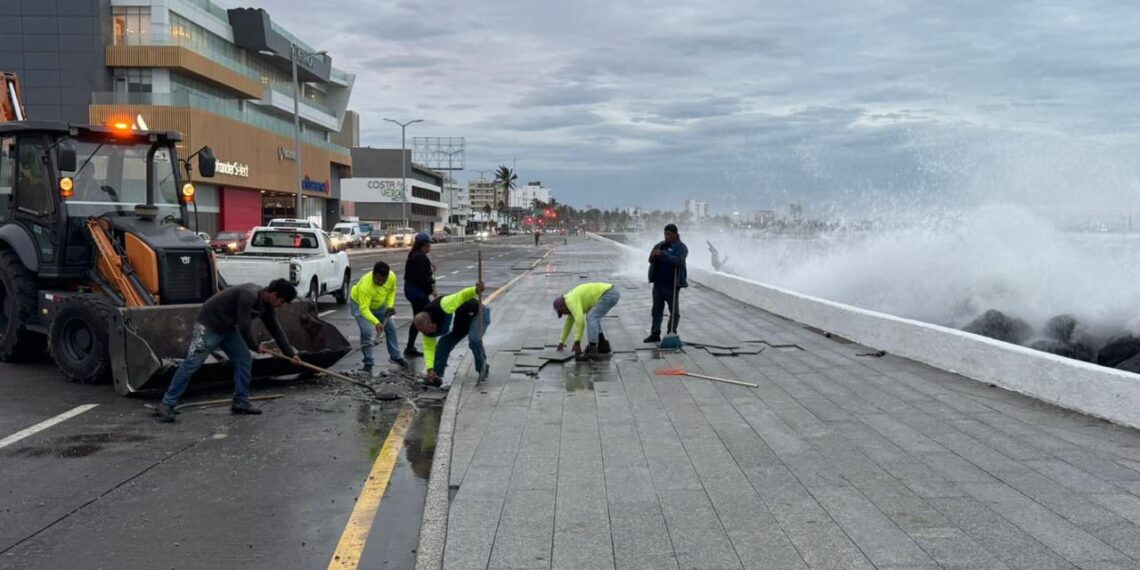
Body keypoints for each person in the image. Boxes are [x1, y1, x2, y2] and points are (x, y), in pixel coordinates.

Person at [156, 279, 301, 422]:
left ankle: (240, 401)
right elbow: (244, 326)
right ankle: (167, 404)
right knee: (192, 364)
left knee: (244, 359)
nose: (280, 305)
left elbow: (276, 331)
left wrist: (291, 354)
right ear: (274, 295)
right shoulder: (248, 295)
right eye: (282, 302)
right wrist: (255, 346)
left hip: (227, 328)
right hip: (207, 326)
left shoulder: (267, 307)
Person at [413, 282, 491, 387]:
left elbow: (463, 294)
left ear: (430, 324)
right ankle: (436, 376)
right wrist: (430, 369)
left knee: (474, 340)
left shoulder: (444, 304)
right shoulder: (426, 331)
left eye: (426, 330)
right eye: (422, 332)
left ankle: (482, 368)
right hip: (459, 325)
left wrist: (476, 290)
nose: (425, 334)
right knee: (443, 345)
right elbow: (429, 349)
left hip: (477, 313)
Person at [351, 261, 410, 375]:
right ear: (373, 274)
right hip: (360, 304)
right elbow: (364, 309)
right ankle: (368, 363)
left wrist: (389, 306)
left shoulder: (391, 277)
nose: (380, 282)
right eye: (377, 280)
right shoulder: (366, 286)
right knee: (366, 332)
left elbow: (392, 290)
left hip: (379, 304)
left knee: (391, 328)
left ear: (387, 276)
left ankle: (395, 356)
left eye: (383, 280)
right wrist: (376, 322)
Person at [553, 282, 621, 361]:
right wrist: (561, 341)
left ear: (563, 307)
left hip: (608, 294)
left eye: (562, 312)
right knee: (593, 318)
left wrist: (577, 342)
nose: (564, 314)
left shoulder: (570, 301)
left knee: (591, 317)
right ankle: (603, 345)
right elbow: (568, 324)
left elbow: (580, 322)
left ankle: (592, 349)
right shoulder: (569, 303)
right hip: (610, 293)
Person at [645, 223, 688, 343]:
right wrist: (653, 255)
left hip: (672, 285)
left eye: (669, 234)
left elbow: (678, 262)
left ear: (675, 234)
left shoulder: (681, 248)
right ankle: (655, 334)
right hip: (658, 285)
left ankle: (671, 333)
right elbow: (650, 260)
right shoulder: (660, 245)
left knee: (674, 312)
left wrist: (663, 254)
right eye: (665, 234)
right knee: (656, 310)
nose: (666, 236)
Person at [404, 232, 436, 358]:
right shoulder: (420, 258)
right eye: (429, 243)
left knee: (418, 318)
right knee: (427, 318)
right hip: (417, 293)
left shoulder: (415, 255)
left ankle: (410, 347)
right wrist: (431, 288)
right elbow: (421, 278)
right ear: (424, 244)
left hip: (413, 291)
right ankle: (432, 349)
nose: (430, 246)